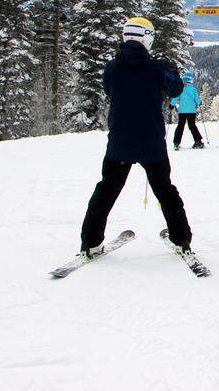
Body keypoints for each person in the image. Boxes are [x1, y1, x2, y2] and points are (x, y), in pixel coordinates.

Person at [79, 17, 194, 258]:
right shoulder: (157, 68)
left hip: (119, 142)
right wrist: (171, 70)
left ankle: (90, 242)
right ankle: (181, 239)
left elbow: (110, 89)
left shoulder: (111, 67)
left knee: (106, 190)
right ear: (147, 38)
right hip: (151, 142)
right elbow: (176, 89)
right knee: (165, 190)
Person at [170, 71, 204, 150]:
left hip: (182, 111)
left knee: (180, 126)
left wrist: (172, 105)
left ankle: (176, 143)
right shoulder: (193, 89)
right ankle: (198, 142)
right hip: (192, 111)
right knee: (192, 126)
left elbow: (175, 97)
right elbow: (197, 99)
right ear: (190, 80)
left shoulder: (180, 89)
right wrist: (199, 103)